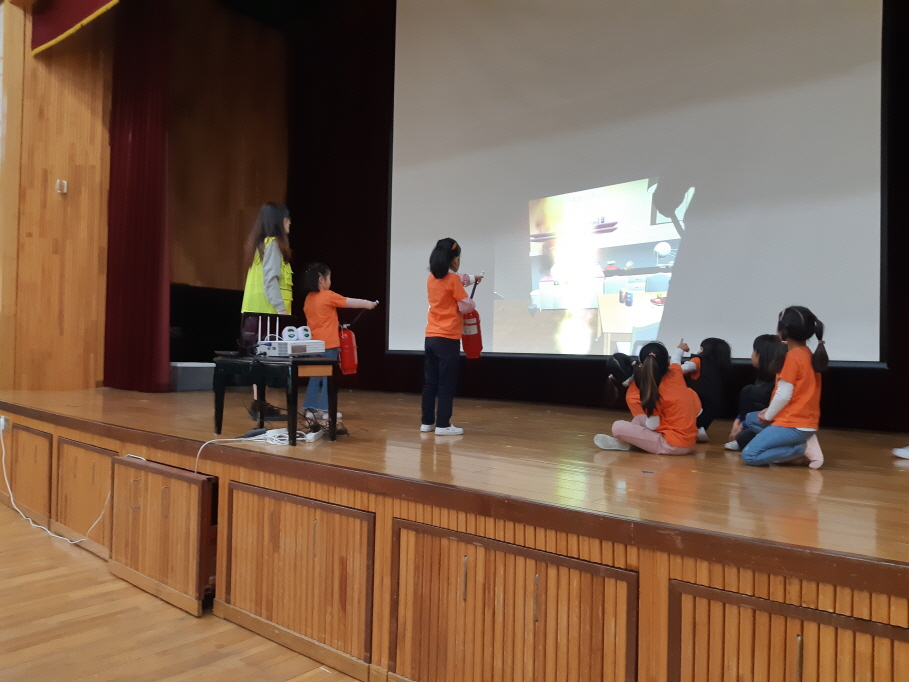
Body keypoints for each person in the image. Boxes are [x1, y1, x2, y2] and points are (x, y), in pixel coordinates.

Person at [740, 306, 827, 468]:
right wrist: (768, 413)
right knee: (751, 418)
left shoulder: (792, 357)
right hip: (804, 422)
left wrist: (768, 415)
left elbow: (783, 395)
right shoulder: (807, 353)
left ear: (782, 331)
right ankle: (802, 441)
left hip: (793, 424)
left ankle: (801, 448)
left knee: (750, 455)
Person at [421, 238, 483, 436]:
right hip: (448, 339)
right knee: (446, 384)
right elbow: (467, 305)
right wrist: (467, 303)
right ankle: (443, 425)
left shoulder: (431, 278)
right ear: (454, 259)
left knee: (430, 383)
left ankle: (427, 423)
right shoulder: (453, 280)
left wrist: (473, 278)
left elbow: (458, 279)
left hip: (431, 337)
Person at [593, 341, 701, 455]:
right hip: (689, 440)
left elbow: (652, 426)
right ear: (667, 361)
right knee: (640, 419)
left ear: (642, 366)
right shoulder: (676, 372)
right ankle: (631, 441)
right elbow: (676, 359)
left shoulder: (652, 390)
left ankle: (630, 443)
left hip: (672, 445)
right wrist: (680, 348)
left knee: (617, 427)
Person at [301, 263, 377, 420]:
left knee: (315, 377)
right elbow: (350, 302)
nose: (330, 281)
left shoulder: (308, 298)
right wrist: (369, 304)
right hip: (328, 345)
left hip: (313, 345)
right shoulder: (328, 295)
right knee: (328, 378)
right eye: (329, 277)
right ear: (321, 280)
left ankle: (311, 410)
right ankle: (327, 410)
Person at [240, 202, 293, 419]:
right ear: (279, 221)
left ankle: (259, 403)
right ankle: (259, 405)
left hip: (255, 312)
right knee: (265, 359)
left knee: (259, 358)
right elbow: (270, 282)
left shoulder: (260, 246)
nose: (289, 223)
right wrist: (282, 311)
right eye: (287, 219)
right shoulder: (273, 245)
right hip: (266, 313)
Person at [725, 334, 787, 451]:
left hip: (774, 426)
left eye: (754, 351)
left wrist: (743, 424)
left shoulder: (775, 383)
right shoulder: (763, 379)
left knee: (744, 437)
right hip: (765, 425)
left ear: (760, 355)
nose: (752, 354)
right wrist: (739, 420)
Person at [679, 337, 732, 441]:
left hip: (696, 407)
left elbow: (677, 370)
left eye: (701, 348)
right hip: (711, 410)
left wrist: (679, 351)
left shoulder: (698, 360)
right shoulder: (722, 367)